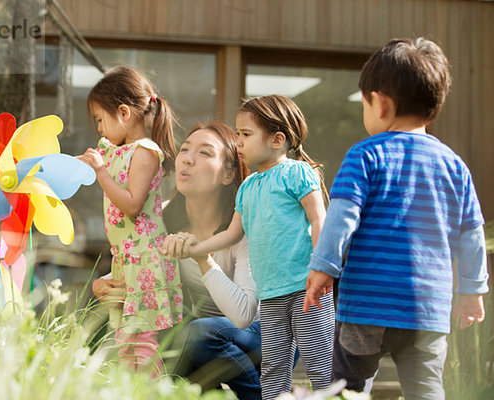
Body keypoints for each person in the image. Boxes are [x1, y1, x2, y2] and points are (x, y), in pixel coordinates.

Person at [303, 37, 489, 400]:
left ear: (382, 104)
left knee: (348, 386)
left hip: (367, 305)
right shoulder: (454, 166)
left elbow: (342, 217)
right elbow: (472, 233)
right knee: (426, 389)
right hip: (428, 310)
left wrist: (323, 267)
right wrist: (472, 290)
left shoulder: (364, 156)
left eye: (365, 102)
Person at [165, 95, 335, 399]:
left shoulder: (297, 173)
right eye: (238, 134)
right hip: (271, 295)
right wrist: (195, 250)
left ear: (277, 139)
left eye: (245, 135)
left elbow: (320, 220)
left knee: (322, 367)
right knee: (273, 371)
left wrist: (322, 269)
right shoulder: (248, 187)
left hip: (304, 288)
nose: (239, 142)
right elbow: (231, 233)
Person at [93, 120, 262, 399]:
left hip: (258, 336)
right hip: (196, 337)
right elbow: (141, 266)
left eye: (205, 153)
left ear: (228, 173)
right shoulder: (162, 218)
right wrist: (106, 284)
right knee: (119, 322)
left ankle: (260, 395)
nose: (188, 160)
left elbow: (244, 314)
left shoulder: (241, 227)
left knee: (196, 334)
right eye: (185, 150)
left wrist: (202, 258)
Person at [78, 65, 183, 376]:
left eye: (100, 120)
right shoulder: (115, 151)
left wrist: (100, 172)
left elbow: (133, 204)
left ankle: (154, 392)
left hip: (145, 260)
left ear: (123, 112)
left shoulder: (146, 152)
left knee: (142, 340)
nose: (99, 129)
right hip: (127, 259)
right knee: (125, 340)